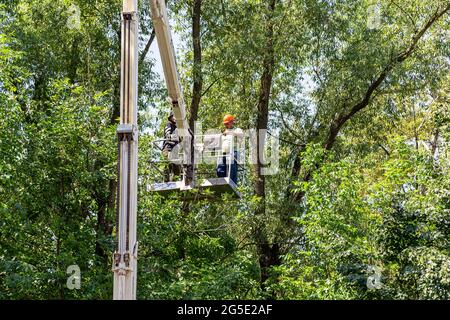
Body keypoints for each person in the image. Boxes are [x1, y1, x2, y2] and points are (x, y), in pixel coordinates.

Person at [216, 114, 243, 184]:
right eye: (226, 124)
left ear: (232, 122)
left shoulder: (237, 130)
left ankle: (233, 184)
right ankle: (221, 183)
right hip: (223, 154)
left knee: (232, 172)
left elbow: (240, 135)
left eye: (228, 123)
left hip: (233, 153)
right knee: (220, 171)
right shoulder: (223, 133)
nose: (227, 125)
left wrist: (230, 133)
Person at [162, 111, 181, 182]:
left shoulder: (176, 127)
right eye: (174, 116)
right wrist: (176, 137)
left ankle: (174, 182)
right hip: (168, 148)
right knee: (169, 165)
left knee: (176, 168)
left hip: (174, 149)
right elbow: (168, 134)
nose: (176, 118)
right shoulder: (169, 124)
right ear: (171, 117)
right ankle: (166, 181)